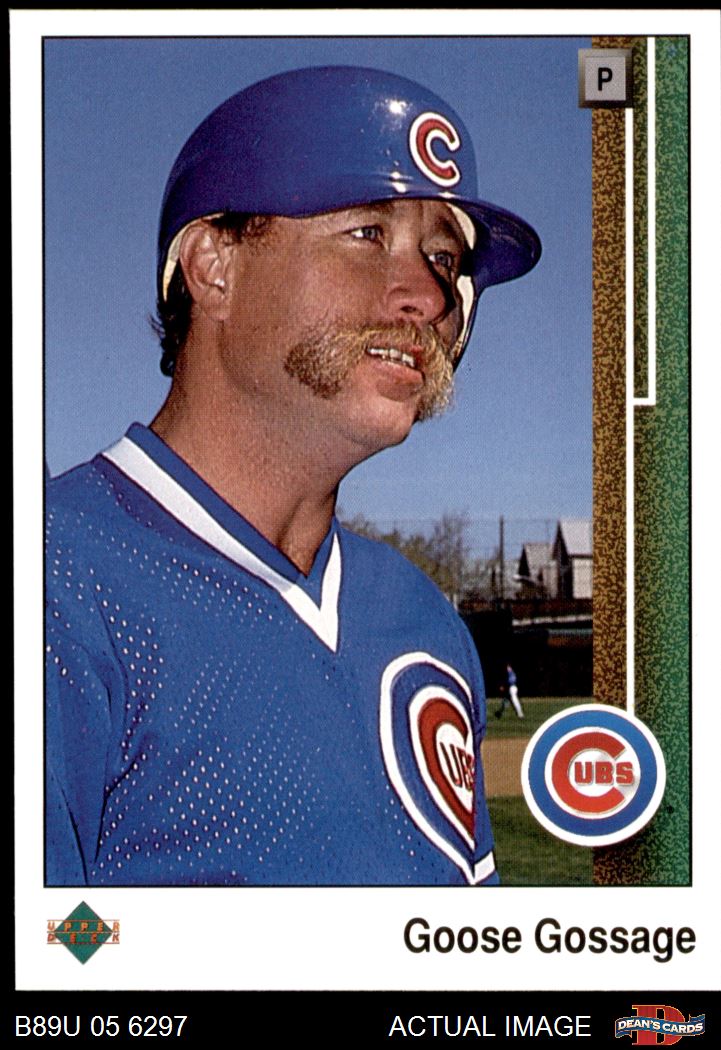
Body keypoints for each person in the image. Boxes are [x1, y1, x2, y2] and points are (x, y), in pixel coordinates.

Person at [45, 66, 540, 887]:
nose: (427, 296)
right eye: (367, 234)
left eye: (442, 257)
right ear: (213, 266)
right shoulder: (58, 583)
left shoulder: (421, 619)